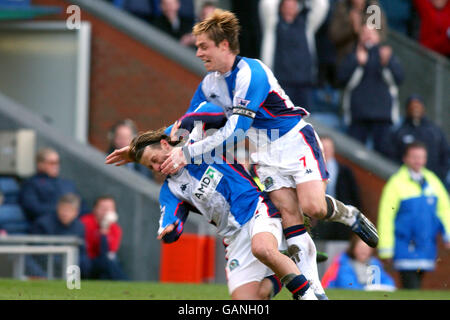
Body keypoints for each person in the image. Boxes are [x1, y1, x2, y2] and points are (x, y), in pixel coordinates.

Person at [108, 10, 378, 291]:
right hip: (265, 154)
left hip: (292, 140)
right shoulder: (209, 84)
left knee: (314, 207)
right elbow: (187, 122)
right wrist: (139, 147)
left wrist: (185, 154)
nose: (198, 52)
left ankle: (349, 215)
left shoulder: (252, 73)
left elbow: (235, 131)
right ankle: (314, 293)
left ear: (224, 45)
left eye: (203, 46)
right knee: (290, 215)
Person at [110, 125, 322, 300]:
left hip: (257, 209)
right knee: (254, 297)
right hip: (233, 236)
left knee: (262, 249)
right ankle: (284, 270)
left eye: (155, 159)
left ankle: (310, 297)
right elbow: (169, 217)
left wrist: (172, 130)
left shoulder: (197, 143)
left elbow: (209, 110)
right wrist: (170, 229)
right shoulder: (171, 188)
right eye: (150, 167)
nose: (157, 167)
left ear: (166, 145)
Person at [377, 142, 450, 289]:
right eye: (414, 157)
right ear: (405, 158)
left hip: (426, 245)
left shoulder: (432, 180)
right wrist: (386, 248)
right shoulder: (396, 183)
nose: (418, 161)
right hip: (404, 245)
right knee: (411, 286)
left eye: (421, 157)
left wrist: (448, 235)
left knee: (417, 286)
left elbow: (444, 210)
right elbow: (386, 217)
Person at [338, 23, 404, 155]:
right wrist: (357, 62)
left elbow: (399, 78)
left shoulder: (386, 55)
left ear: (379, 37)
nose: (368, 36)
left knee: (383, 156)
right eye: (364, 33)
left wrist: (387, 63)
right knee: (354, 156)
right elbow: (341, 78)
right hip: (358, 116)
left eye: (371, 33)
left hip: (383, 117)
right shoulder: (352, 55)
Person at [262, 0, 329, 109]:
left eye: (293, 5)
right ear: (280, 7)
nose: (290, 8)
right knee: (282, 119)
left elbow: (322, 4)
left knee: (304, 121)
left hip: (304, 83)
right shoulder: (273, 23)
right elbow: (266, 4)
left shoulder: (307, 23)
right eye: (286, 5)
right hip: (281, 83)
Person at [386, 94, 449, 186]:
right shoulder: (399, 132)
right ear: (407, 109)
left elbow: (446, 154)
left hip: (435, 180)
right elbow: (390, 155)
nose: (415, 109)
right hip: (406, 182)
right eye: (412, 106)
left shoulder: (434, 131)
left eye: (418, 105)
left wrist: (440, 174)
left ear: (423, 108)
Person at [311, 135, 361, 241]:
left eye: (328, 149)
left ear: (333, 150)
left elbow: (354, 196)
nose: (326, 152)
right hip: (318, 219)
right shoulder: (310, 171)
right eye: (323, 149)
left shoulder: (345, 171)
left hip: (340, 221)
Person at [29, 193, 90, 278]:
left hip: (72, 263)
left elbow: (82, 250)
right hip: (48, 263)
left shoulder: (80, 226)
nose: (65, 213)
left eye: (69, 210)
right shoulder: (43, 224)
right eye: (63, 209)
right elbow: (38, 253)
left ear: (76, 212)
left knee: (85, 262)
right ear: (57, 208)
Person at [19, 147, 88, 223]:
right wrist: (61, 211)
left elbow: (82, 206)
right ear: (40, 164)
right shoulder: (31, 184)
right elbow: (33, 208)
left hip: (72, 224)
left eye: (58, 162)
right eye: (52, 163)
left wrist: (72, 213)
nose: (56, 166)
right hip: (46, 226)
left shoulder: (67, 183)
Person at [321, 235, 396, 290]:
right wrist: (368, 289)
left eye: (366, 248)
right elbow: (348, 286)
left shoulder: (375, 264)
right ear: (353, 249)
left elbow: (387, 281)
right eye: (360, 248)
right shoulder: (345, 264)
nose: (363, 251)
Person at [80, 195, 127, 280]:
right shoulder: (84, 223)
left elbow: (109, 251)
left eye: (110, 209)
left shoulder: (115, 229)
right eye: (103, 208)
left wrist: (105, 231)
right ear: (95, 209)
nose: (106, 212)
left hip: (105, 262)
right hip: (87, 261)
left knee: (111, 262)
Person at [329, 0, 387, 66]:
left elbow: (381, 35)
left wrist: (370, 35)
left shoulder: (373, 6)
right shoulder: (342, 7)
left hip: (371, 57)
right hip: (346, 57)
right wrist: (351, 28)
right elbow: (334, 36)